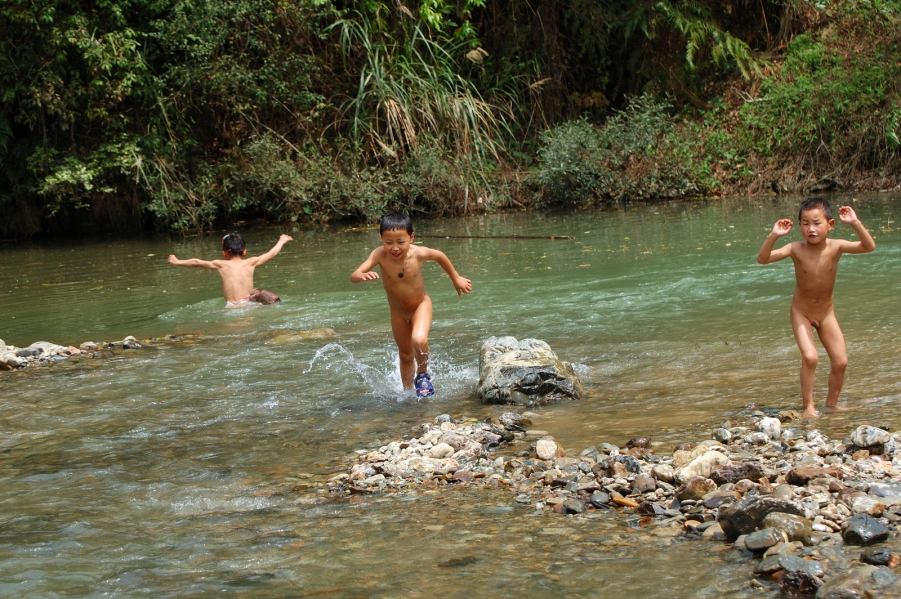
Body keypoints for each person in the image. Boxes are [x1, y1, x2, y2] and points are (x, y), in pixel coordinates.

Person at [757, 198, 875, 418]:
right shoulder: (795, 249)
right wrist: (774, 235)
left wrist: (855, 222)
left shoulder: (837, 246)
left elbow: (869, 246)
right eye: (805, 223)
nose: (811, 229)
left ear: (830, 225)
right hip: (801, 312)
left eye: (817, 223)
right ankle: (808, 406)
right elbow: (762, 259)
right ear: (799, 225)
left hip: (826, 313)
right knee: (810, 357)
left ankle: (832, 404)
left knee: (841, 361)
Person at [350, 213, 472, 396]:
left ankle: (422, 375)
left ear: (411, 237)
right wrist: (361, 276)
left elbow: (439, 255)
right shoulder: (379, 255)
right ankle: (408, 393)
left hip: (420, 305)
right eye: (388, 242)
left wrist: (456, 278)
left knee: (419, 340)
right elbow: (354, 276)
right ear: (381, 239)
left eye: (400, 242)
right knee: (405, 355)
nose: (394, 248)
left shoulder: (418, 253)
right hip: (398, 313)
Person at [168, 233, 293, 307]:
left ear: (224, 253)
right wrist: (282, 241)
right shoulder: (251, 262)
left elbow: (197, 262)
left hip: (232, 308)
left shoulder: (221, 265)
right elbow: (271, 254)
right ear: (244, 251)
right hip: (249, 306)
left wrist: (178, 262)